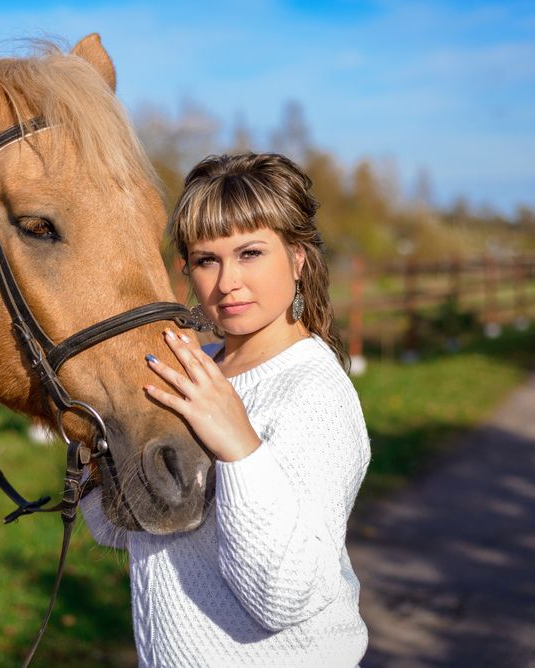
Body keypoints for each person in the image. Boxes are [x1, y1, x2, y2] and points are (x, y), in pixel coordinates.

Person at [80, 152, 370, 667]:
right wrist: (97, 450)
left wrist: (240, 449)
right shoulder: (193, 371)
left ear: (298, 258)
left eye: (251, 253)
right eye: (206, 259)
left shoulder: (314, 393)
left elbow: (283, 598)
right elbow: (123, 529)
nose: (227, 282)